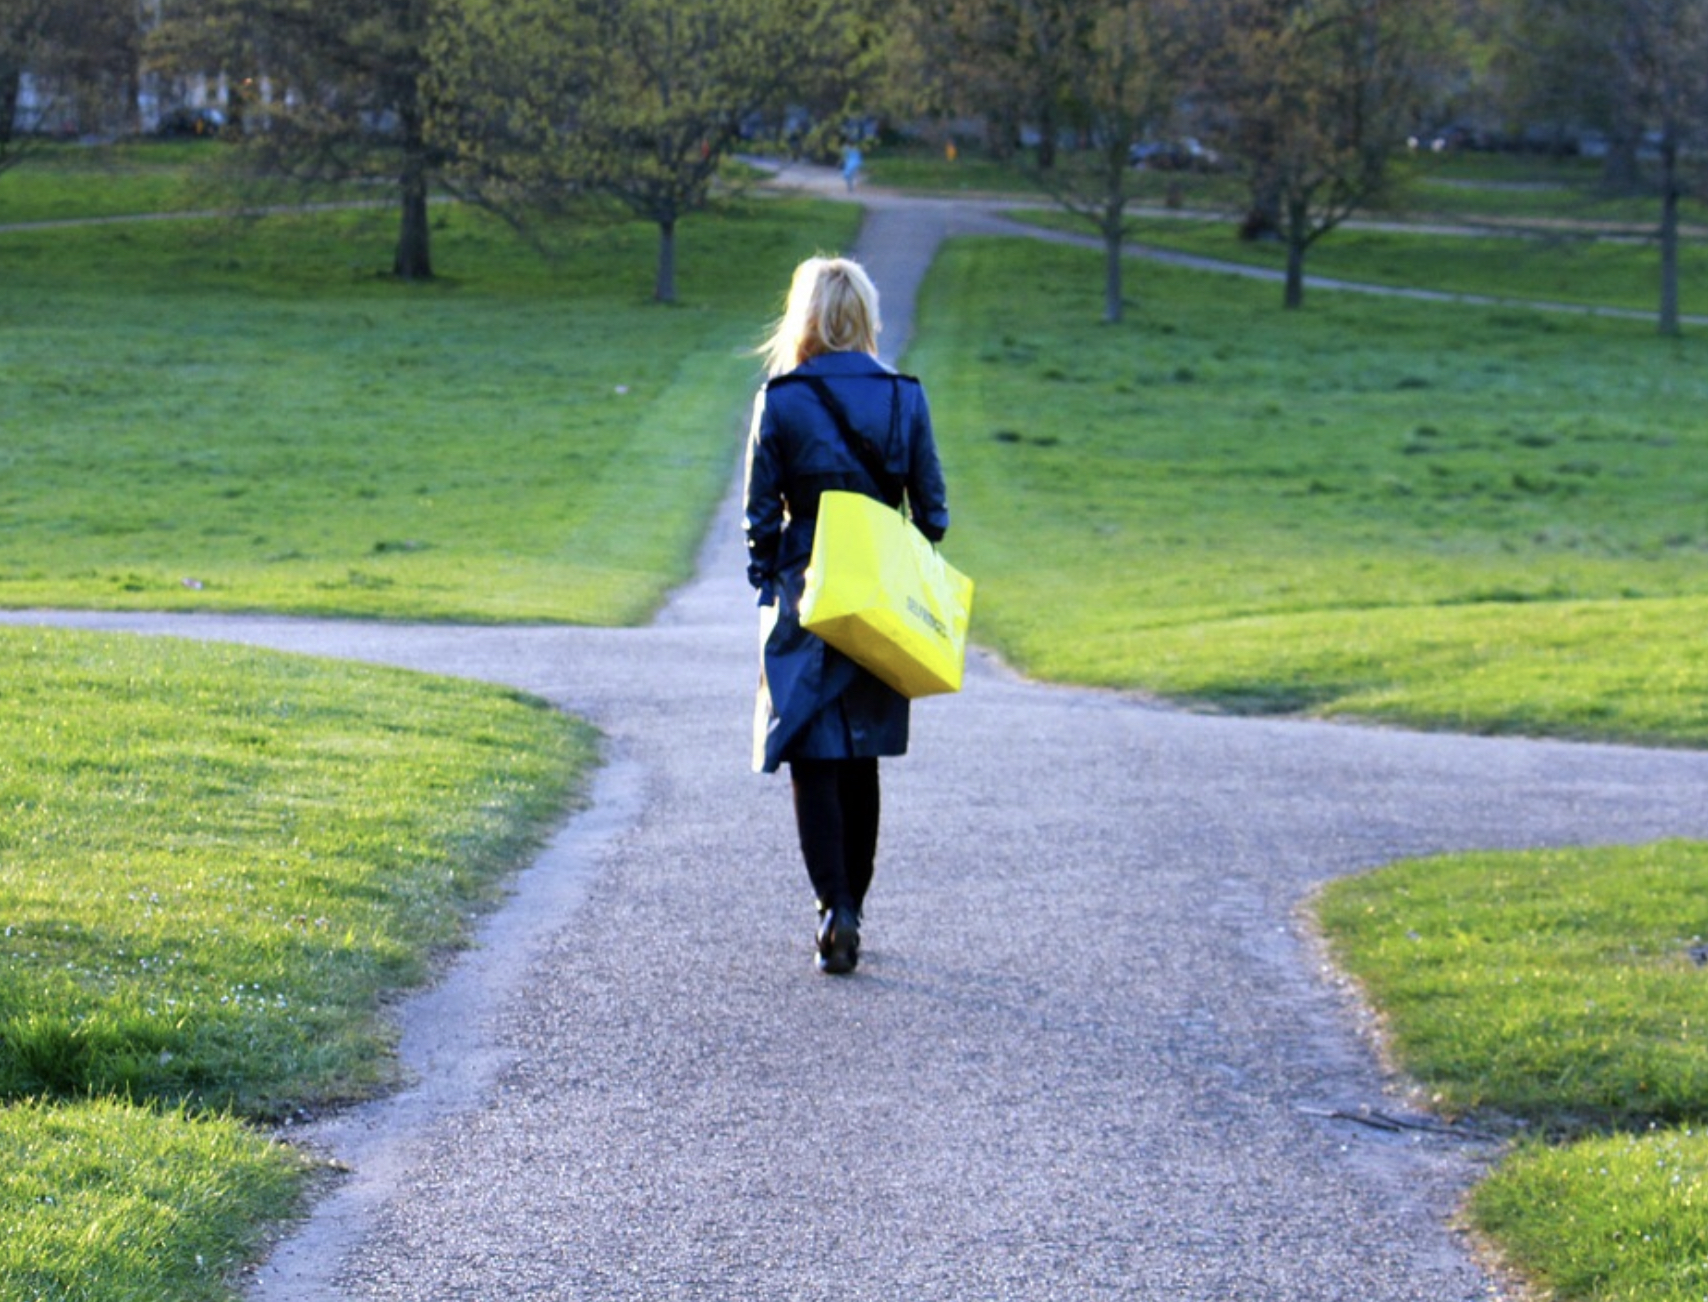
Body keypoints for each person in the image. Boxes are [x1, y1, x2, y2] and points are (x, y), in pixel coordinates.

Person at [744, 257, 950, 975]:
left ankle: (833, 905)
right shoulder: (904, 397)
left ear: (803, 317)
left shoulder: (781, 399)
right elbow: (935, 514)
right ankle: (852, 906)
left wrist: (770, 583)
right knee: (860, 753)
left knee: (810, 750)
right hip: (879, 593)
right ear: (863, 315)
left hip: (805, 589)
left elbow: (758, 521)